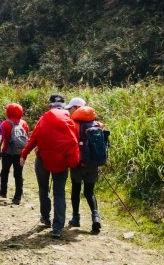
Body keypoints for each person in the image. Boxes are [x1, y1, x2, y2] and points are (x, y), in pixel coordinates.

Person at [20, 94, 79, 239]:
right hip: (62, 162)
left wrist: (24, 154)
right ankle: (57, 227)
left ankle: (45, 218)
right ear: (64, 105)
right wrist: (74, 161)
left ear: (50, 105)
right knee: (59, 193)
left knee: (43, 189)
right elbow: (75, 140)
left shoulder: (44, 117)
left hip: (43, 160)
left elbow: (34, 138)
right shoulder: (69, 119)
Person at [65, 97, 103, 234]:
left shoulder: (73, 124)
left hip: (78, 164)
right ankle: (95, 217)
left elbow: (70, 143)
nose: (69, 111)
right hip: (93, 165)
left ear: (76, 108)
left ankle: (76, 218)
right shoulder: (98, 124)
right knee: (89, 192)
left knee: (75, 190)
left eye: (70, 108)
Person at [0, 103, 30, 204]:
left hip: (7, 152)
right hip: (20, 153)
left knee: (4, 172)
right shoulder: (24, 123)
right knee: (18, 175)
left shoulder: (5, 123)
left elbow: (1, 139)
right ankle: (17, 197)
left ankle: (3, 191)